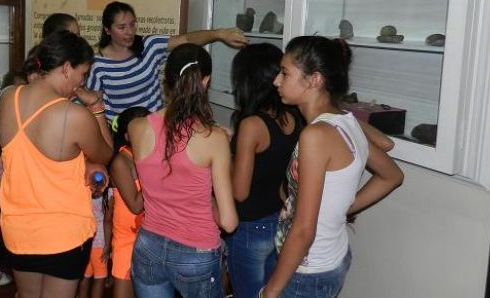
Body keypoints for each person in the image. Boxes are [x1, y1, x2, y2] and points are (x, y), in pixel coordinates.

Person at [261, 36, 404, 298]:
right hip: (332, 256)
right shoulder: (345, 121)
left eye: (285, 73)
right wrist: (341, 208)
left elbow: (304, 231)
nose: (276, 81)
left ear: (314, 79)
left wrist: (270, 292)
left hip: (307, 271)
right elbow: (392, 175)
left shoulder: (316, 135)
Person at [0, 30, 114, 298]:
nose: (82, 82)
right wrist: (96, 106)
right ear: (66, 68)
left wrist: (83, 162)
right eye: (82, 74)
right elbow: (105, 154)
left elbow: (32, 156)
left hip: (18, 231)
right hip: (63, 234)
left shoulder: (8, 98)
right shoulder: (74, 115)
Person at [128, 43, 238, 298]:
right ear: (206, 81)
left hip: (148, 245)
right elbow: (229, 222)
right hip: (196, 252)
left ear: (166, 81)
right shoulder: (214, 138)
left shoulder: (137, 127)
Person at [87, 1, 248, 120]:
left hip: (153, 127)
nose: (129, 32)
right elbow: (95, 106)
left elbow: (186, 39)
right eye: (122, 27)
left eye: (132, 24)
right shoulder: (98, 64)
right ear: (108, 30)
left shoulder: (148, 45)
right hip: (121, 134)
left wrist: (219, 34)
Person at [227, 44, 302, 298]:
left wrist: (221, 156)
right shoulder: (294, 115)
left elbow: (239, 192)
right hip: (280, 219)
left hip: (250, 226)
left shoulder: (252, 125)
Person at [108, 106, 150, 298]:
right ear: (127, 136)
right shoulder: (121, 162)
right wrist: (153, 172)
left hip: (150, 236)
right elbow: (135, 205)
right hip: (127, 239)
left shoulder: (148, 158)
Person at [78, 187, 113, 298]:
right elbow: (107, 221)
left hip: (85, 240)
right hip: (100, 242)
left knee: (84, 277)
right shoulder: (109, 194)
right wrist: (108, 245)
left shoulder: (84, 189)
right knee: (99, 279)